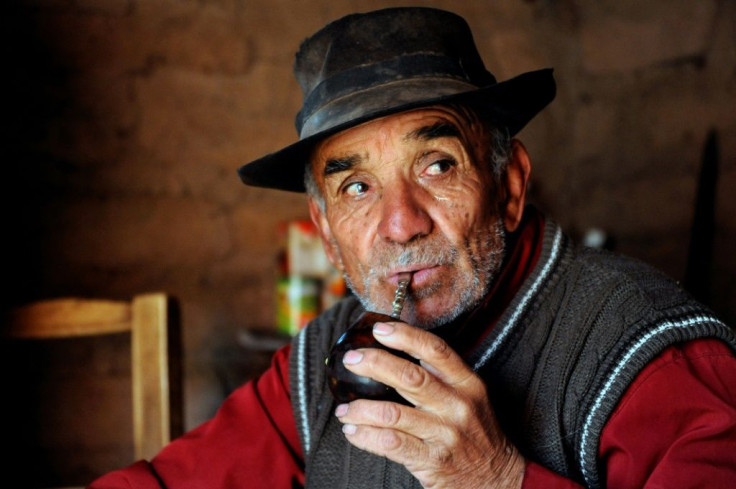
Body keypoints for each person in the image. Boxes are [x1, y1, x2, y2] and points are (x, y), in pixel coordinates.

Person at [91, 7, 736, 489]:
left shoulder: (647, 353)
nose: (400, 224)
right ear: (327, 234)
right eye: (357, 186)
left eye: (436, 166)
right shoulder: (323, 362)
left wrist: (499, 478)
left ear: (508, 188)